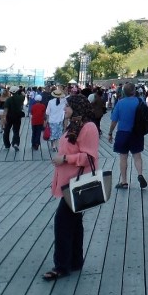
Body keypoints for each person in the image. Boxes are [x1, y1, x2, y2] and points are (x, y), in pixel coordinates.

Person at [42, 94, 99, 281]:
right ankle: (75, 260)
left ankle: (61, 266)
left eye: (67, 106)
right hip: (68, 182)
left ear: (76, 107)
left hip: (77, 184)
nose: (64, 108)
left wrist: (65, 159)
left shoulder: (88, 127)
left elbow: (90, 157)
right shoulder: (74, 125)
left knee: (62, 223)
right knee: (74, 223)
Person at [108, 81, 147, 189]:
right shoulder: (140, 101)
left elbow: (114, 120)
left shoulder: (120, 103)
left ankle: (124, 181)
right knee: (137, 156)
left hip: (122, 133)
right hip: (137, 133)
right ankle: (140, 174)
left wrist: (110, 132)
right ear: (134, 91)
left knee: (123, 158)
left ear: (123, 92)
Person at [1, 85, 25, 150]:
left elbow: (5, 110)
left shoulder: (8, 100)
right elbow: (23, 94)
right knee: (16, 131)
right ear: (17, 91)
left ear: (11, 92)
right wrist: (21, 91)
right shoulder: (21, 98)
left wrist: (4, 119)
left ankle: (7, 145)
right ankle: (15, 143)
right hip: (17, 117)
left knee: (6, 131)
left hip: (9, 117)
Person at [45, 86, 67, 152]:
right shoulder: (63, 101)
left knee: (52, 133)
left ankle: (53, 145)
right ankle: (56, 145)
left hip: (52, 120)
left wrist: (47, 120)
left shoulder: (50, 102)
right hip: (60, 120)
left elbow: (47, 112)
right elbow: (66, 96)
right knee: (58, 133)